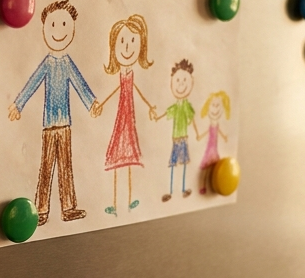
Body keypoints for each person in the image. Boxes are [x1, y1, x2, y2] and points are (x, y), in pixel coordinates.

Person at [8, 0, 95, 226]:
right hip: (49, 125)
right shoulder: (47, 63)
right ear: (45, 28)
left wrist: (91, 103)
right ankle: (41, 210)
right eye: (53, 25)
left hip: (65, 124)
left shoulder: (67, 63)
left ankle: (68, 208)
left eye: (64, 25)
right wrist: (18, 104)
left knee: (66, 166)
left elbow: (80, 84)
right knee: (46, 168)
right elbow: (32, 84)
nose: (59, 31)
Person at [92, 14, 157, 215]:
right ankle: (114, 203)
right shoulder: (122, 75)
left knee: (127, 160)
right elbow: (116, 91)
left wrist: (150, 107)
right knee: (118, 156)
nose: (127, 47)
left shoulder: (130, 74)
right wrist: (101, 104)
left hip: (129, 117)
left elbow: (136, 90)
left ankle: (128, 201)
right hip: (122, 116)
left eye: (132, 42)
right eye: (122, 42)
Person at [153, 59, 200, 201]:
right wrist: (157, 117)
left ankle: (183, 189)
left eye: (184, 80)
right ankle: (171, 191)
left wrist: (197, 133)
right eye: (178, 80)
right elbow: (167, 113)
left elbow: (192, 119)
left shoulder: (186, 106)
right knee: (173, 163)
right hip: (175, 139)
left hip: (183, 138)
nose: (181, 84)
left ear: (191, 81)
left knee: (184, 162)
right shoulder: (175, 106)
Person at [197, 90, 231, 194]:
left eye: (218, 105)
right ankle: (203, 185)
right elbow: (207, 132)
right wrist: (200, 136)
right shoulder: (210, 125)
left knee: (211, 168)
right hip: (210, 148)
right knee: (206, 168)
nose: (215, 108)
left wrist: (224, 137)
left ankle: (205, 185)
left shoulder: (217, 125)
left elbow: (219, 132)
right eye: (213, 105)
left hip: (214, 149)